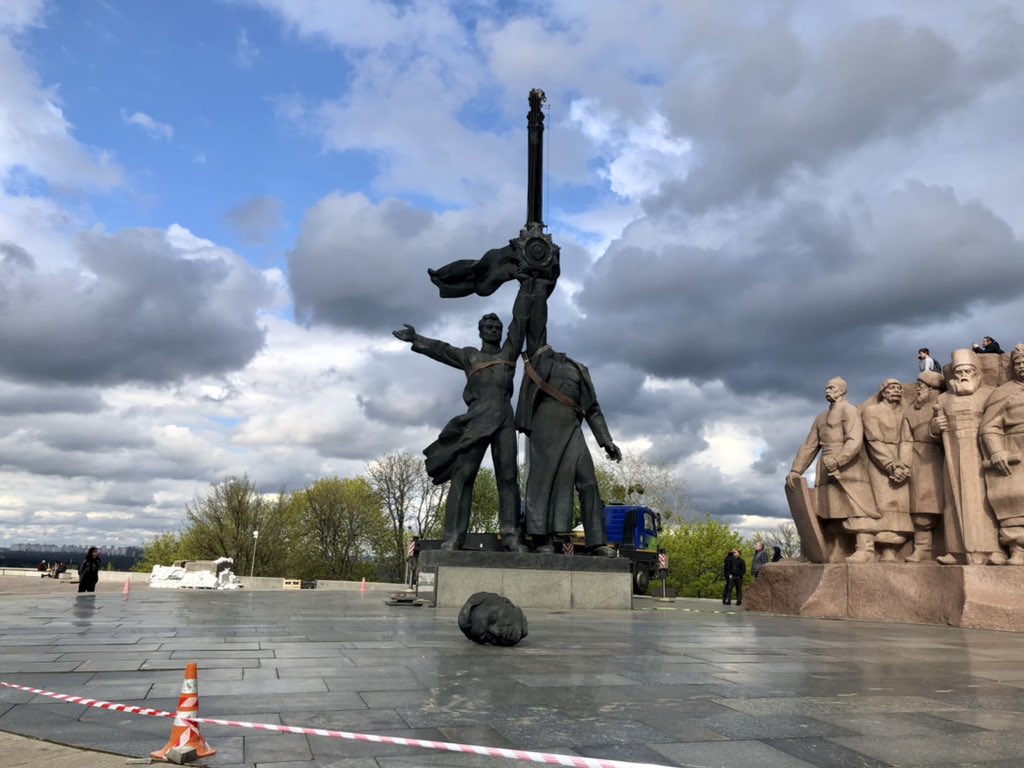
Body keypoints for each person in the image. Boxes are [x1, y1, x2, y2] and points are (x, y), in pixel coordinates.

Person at [393, 278, 535, 552]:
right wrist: (416, 339)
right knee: (463, 475)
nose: (494, 330)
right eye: (489, 327)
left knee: (507, 477)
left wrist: (526, 289)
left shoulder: (509, 353)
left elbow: (520, 320)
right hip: (477, 420)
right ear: (480, 331)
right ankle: (454, 536)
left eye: (497, 327)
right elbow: (443, 350)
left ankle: (510, 534)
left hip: (504, 420)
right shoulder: (470, 356)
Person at [515, 277, 621, 555]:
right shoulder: (542, 358)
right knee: (544, 479)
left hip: (573, 427)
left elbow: (593, 408)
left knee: (588, 480)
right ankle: (542, 539)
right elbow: (537, 325)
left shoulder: (579, 369)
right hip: (545, 425)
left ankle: (597, 541)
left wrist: (606, 441)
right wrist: (539, 289)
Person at [787, 377, 877, 562]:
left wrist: (839, 460)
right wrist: (796, 470)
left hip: (848, 466)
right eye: (826, 388)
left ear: (842, 390)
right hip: (825, 467)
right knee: (829, 510)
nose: (827, 391)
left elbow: (854, 440)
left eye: (832, 388)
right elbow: (809, 446)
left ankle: (866, 549)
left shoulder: (849, 410)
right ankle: (835, 547)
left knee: (857, 506)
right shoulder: (820, 418)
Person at [931, 349, 1001, 565]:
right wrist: (935, 427)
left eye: (967, 370)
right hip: (951, 455)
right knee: (953, 501)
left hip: (978, 455)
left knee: (981, 501)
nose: (963, 375)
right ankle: (956, 550)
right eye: (958, 371)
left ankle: (991, 549)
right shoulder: (943, 399)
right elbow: (932, 431)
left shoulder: (990, 394)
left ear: (977, 373)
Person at [980, 343, 1024, 565]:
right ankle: (1018, 549)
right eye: (1018, 363)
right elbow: (989, 426)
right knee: (1015, 500)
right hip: (1015, 449)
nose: (1022, 366)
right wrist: (996, 451)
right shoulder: (1003, 393)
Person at [861, 379, 914, 561]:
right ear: (883, 392)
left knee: (901, 507)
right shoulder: (871, 412)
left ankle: (893, 548)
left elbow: (907, 439)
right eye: (892, 388)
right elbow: (874, 441)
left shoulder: (904, 413)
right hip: (880, 463)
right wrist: (891, 465)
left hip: (901, 461)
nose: (897, 391)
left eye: (899, 388)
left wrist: (904, 465)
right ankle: (883, 549)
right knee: (883, 505)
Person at [900, 370, 947, 562]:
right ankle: (922, 548)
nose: (918, 388)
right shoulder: (911, 410)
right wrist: (903, 464)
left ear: (933, 389)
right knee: (920, 507)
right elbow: (905, 439)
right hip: (918, 459)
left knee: (942, 504)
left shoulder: (943, 404)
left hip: (938, 458)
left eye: (922, 385)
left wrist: (937, 431)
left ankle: (949, 547)